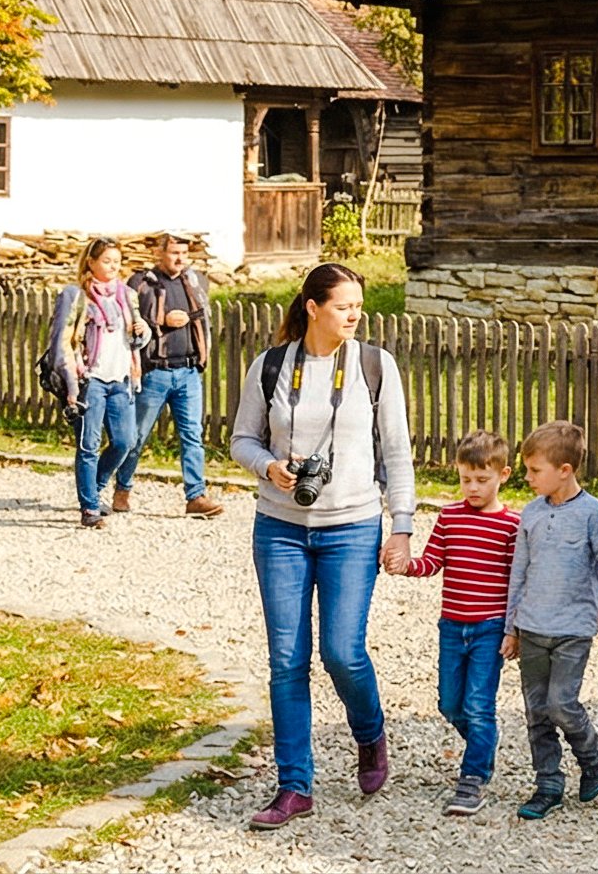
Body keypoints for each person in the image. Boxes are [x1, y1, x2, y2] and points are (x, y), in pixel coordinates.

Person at [230, 261, 416, 831]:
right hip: (280, 527)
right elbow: (241, 439)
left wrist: (402, 525)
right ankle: (294, 786)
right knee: (287, 661)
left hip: (353, 525)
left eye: (359, 305)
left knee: (342, 651)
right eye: (344, 305)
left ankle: (369, 732)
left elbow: (398, 453)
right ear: (312, 308)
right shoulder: (269, 366)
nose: (355, 314)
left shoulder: (373, 366)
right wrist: (269, 466)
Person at [398, 429, 520, 817]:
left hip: (489, 628)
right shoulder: (449, 517)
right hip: (452, 625)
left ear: (504, 475)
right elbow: (432, 561)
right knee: (450, 703)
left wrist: (513, 630)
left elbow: (518, 582)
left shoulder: (511, 526)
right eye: (466, 479)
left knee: (479, 705)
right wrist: (406, 567)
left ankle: (473, 777)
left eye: (481, 480)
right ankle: (483, 745)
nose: (472, 487)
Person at [503, 420, 598, 821]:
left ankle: (591, 753)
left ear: (564, 470)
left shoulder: (592, 514)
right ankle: (548, 783)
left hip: (572, 631)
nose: (527, 477)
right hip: (532, 628)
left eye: (535, 470)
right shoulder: (530, 515)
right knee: (536, 710)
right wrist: (511, 628)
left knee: (561, 703)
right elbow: (520, 572)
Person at [112, 233, 223, 518]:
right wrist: (160, 321)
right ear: (160, 253)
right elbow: (127, 321)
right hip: (155, 373)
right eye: (174, 253)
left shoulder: (195, 281)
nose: (180, 258)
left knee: (192, 436)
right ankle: (122, 488)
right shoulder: (141, 283)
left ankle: (195, 496)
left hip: (188, 371)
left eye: (184, 253)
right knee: (136, 436)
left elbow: (204, 317)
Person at [50, 238, 149, 528]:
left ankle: (95, 485)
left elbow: (136, 341)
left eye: (117, 260)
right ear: (91, 262)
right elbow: (62, 345)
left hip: (121, 379)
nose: (113, 266)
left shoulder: (127, 295)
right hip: (89, 380)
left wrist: (142, 333)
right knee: (88, 444)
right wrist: (71, 386)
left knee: (125, 441)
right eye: (107, 260)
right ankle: (90, 508)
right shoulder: (77, 296)